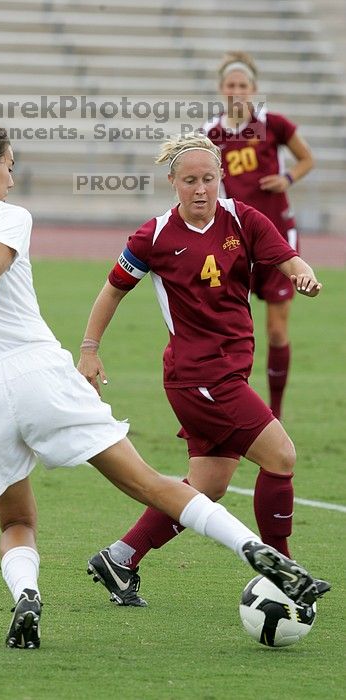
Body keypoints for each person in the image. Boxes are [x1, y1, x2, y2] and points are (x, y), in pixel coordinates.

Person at [0, 121, 327, 649]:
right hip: (41, 375)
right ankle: (262, 555)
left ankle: (29, 596)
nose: (12, 180)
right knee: (155, 482)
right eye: (9, 167)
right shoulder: (9, 215)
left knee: (17, 520)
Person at [78, 134, 329, 608]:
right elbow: (112, 290)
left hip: (228, 373)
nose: (200, 189)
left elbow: (285, 257)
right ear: (172, 182)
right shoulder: (153, 236)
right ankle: (282, 569)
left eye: (208, 179)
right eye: (189, 180)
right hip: (198, 377)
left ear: (221, 179)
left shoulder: (243, 218)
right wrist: (90, 349)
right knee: (281, 456)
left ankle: (120, 556)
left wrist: (301, 271)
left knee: (208, 486)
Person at [203, 51, 314, 420]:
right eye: (230, 85)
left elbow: (306, 159)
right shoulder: (211, 133)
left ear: (253, 89)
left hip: (279, 236)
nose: (236, 91)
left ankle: (275, 413)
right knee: (232, 326)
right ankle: (235, 405)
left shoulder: (274, 124)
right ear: (221, 89)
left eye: (243, 85)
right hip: (237, 240)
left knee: (277, 330)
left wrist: (287, 178)